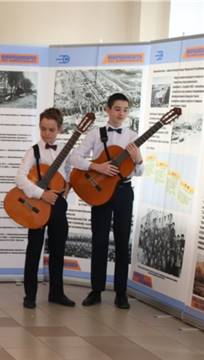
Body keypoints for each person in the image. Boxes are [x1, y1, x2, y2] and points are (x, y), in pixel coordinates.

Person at [70, 93, 143, 309]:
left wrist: (138, 158)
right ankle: (96, 290)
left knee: (122, 241)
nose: (121, 113)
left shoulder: (133, 136)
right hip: (100, 191)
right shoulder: (95, 134)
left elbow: (139, 171)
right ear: (108, 110)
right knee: (99, 241)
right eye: (117, 109)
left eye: (125, 110)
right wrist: (96, 166)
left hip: (123, 192)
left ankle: (121, 292)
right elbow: (75, 158)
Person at [15, 108, 75, 309]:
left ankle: (56, 293)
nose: (47, 133)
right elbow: (20, 178)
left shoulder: (66, 150)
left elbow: (68, 173)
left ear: (60, 129)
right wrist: (42, 194)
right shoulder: (34, 151)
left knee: (58, 250)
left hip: (57, 205)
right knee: (34, 249)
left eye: (51, 129)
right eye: (43, 129)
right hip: (38, 204)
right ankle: (29, 295)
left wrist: (66, 190)